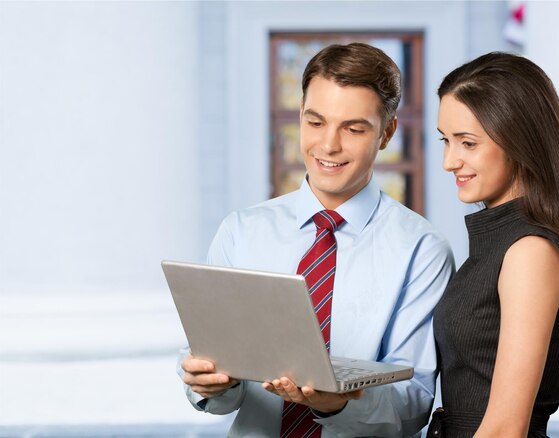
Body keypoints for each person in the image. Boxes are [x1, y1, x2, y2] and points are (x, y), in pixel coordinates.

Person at [177, 42, 454, 437]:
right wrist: (209, 382)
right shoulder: (241, 231)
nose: (328, 145)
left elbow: (415, 403)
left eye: (354, 128)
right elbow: (220, 391)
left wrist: (340, 402)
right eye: (315, 121)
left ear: (387, 132)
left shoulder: (422, 250)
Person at [428, 52, 559, 438]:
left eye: (467, 143)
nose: (449, 160)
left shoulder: (531, 252)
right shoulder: (502, 243)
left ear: (518, 139)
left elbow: (504, 429)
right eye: (447, 141)